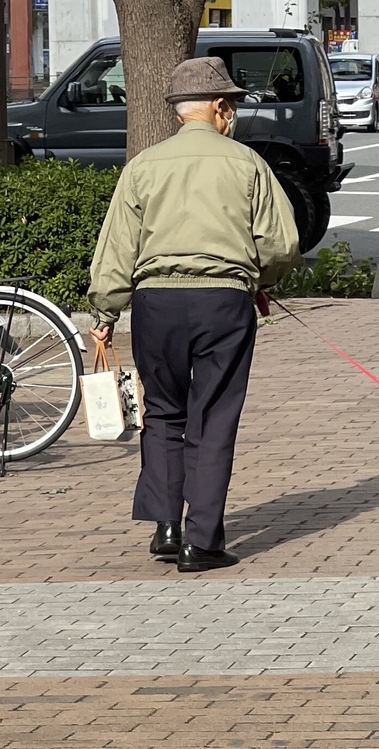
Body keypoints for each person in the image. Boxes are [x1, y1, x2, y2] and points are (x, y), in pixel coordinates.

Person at [87, 56, 302, 573]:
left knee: (162, 410)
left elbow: (117, 248)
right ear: (221, 107)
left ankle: (166, 525)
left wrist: (105, 310)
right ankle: (201, 542)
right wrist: (261, 280)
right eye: (232, 108)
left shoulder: (143, 165)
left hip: (155, 302)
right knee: (213, 415)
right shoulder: (246, 163)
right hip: (223, 302)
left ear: (180, 113)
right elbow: (282, 242)